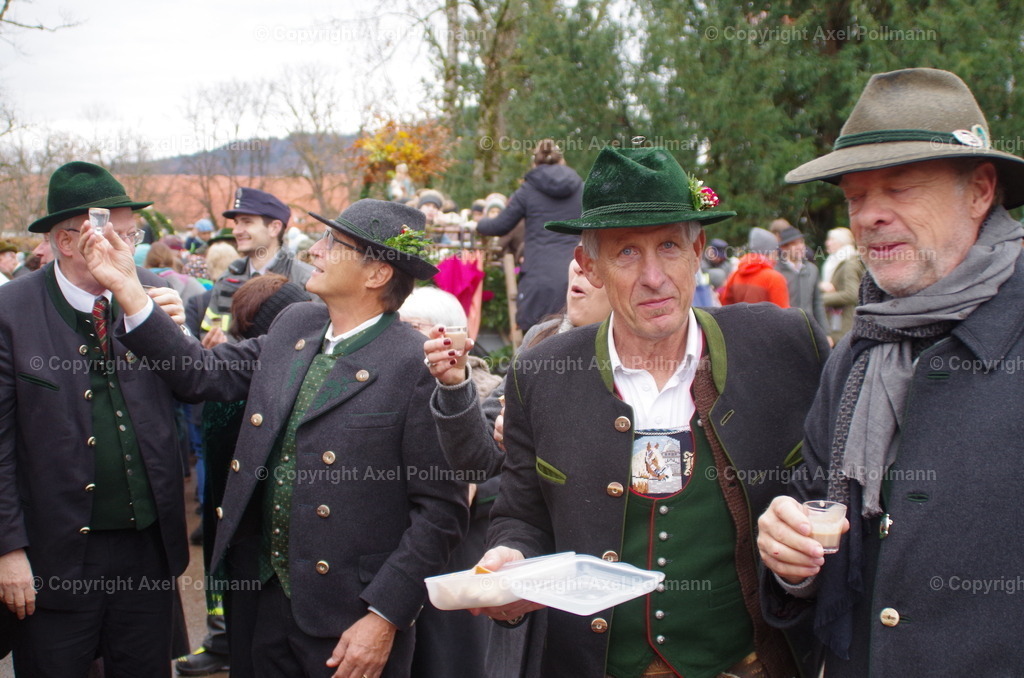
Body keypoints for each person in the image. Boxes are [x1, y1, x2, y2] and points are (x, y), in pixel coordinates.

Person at [474, 147, 829, 678]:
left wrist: (805, 557)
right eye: (626, 253)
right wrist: (511, 560)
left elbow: (834, 485)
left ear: (699, 250)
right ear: (588, 266)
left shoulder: (785, 346)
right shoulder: (541, 375)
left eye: (669, 246)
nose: (655, 276)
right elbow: (523, 516)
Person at [80, 198, 468, 678]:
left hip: (347, 617)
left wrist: (385, 616)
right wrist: (124, 284)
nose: (317, 251)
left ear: (376, 275)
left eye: (334, 243)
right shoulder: (295, 325)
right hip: (259, 601)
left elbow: (441, 514)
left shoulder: (417, 363)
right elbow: (202, 375)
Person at [756, 67, 1024, 676]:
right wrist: (787, 552)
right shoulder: (856, 352)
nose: (869, 216)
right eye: (855, 197)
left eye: (899, 188)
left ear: (981, 190)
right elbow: (818, 502)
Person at [0, 161, 192, 677]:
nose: (129, 247)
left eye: (133, 234)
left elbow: (196, 391)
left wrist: (180, 337)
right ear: (68, 241)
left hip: (146, 551)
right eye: (118, 234)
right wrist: (7, 551)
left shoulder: (151, 295)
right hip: (52, 555)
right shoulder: (9, 312)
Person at [423, 253, 612, 678]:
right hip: (535, 578)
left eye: (600, 259)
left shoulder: (652, 363)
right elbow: (477, 465)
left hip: (605, 587)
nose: (578, 268)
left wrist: (540, 439)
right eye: (578, 255)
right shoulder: (541, 343)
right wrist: (455, 387)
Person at [476, 140, 584, 332]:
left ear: (534, 163)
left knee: (536, 342)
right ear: (563, 161)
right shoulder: (581, 188)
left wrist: (479, 224)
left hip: (538, 278)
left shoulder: (528, 189)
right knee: (578, 338)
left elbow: (500, 226)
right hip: (577, 276)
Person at [200, 187, 313, 342]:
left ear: (274, 228)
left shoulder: (307, 280)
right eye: (236, 223)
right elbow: (209, 331)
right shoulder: (228, 278)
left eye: (247, 222)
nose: (236, 231)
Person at [719, 226, 790, 307]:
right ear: (772, 251)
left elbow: (726, 308)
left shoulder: (734, 276)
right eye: (776, 250)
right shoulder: (775, 278)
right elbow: (783, 315)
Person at [819, 227, 865, 344]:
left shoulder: (849, 264)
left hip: (845, 325)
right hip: (839, 323)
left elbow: (852, 294)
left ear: (841, 242)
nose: (827, 243)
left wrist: (820, 300)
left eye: (831, 239)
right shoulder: (837, 262)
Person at [776, 226, 826, 329]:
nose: (800, 247)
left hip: (808, 329)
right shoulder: (776, 271)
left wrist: (826, 332)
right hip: (784, 330)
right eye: (794, 243)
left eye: (801, 242)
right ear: (783, 248)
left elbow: (817, 303)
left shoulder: (812, 269)